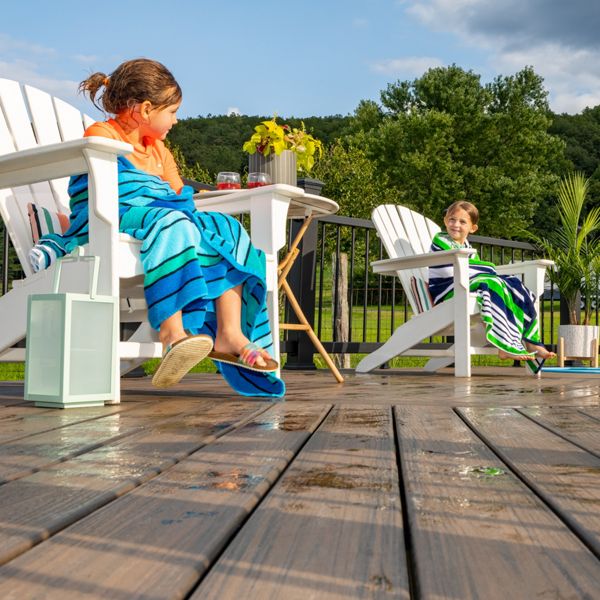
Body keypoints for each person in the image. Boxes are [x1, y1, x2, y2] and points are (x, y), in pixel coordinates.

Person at [48, 58, 282, 396]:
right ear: (145, 109)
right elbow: (112, 192)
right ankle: (173, 333)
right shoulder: (102, 134)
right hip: (109, 221)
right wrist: (160, 203)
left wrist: (169, 205)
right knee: (172, 222)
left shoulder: (160, 152)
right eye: (172, 112)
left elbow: (177, 199)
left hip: (155, 221)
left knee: (225, 227)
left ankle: (230, 333)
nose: (176, 120)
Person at [428, 200, 555, 372]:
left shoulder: (467, 247)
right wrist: (487, 269)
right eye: (452, 219)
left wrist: (486, 270)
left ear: (473, 228)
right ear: (445, 220)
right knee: (493, 282)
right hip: (447, 290)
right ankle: (504, 347)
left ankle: (531, 342)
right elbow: (464, 270)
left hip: (464, 286)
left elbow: (475, 270)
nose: (455, 224)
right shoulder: (440, 240)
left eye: (462, 222)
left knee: (515, 284)